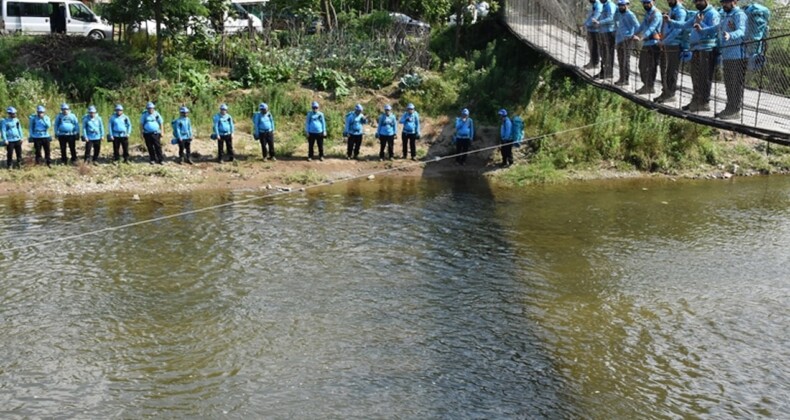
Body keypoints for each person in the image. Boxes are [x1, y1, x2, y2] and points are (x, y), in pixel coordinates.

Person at [669, 0, 720, 112]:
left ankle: (703, 103)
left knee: (704, 77)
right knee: (695, 76)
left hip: (707, 49)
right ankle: (696, 101)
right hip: (696, 49)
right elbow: (685, 24)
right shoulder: (698, 14)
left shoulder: (713, 14)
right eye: (695, 1)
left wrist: (700, 22)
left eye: (698, 1)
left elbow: (714, 31)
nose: (696, 3)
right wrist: (670, 21)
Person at [715, 0, 747, 120]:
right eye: (723, 2)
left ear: (734, 2)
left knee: (735, 84)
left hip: (738, 55)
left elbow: (741, 30)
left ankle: (735, 110)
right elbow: (717, 28)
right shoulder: (726, 15)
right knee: (728, 83)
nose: (723, 4)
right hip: (727, 55)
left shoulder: (739, 14)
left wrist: (730, 35)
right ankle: (729, 108)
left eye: (726, 2)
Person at [655, 0, 688, 103]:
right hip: (667, 44)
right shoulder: (671, 10)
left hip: (674, 45)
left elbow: (678, 29)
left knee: (672, 70)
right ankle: (665, 92)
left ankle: (670, 94)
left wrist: (665, 41)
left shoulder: (680, 12)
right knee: (666, 70)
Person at [632, 0, 663, 94]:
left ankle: (649, 86)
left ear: (653, 2)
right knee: (642, 65)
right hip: (647, 44)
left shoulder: (657, 14)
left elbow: (652, 28)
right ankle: (646, 85)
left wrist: (641, 37)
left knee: (651, 66)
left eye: (647, 2)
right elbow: (642, 26)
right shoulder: (648, 14)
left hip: (654, 43)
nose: (645, 4)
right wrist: (634, 33)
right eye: (644, 3)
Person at [614, 0, 640, 86]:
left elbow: (637, 26)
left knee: (625, 60)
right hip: (619, 39)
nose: (621, 7)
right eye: (620, 5)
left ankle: (625, 79)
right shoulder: (620, 14)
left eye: (622, 5)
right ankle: (621, 78)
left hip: (627, 40)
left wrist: (634, 35)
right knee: (620, 59)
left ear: (627, 5)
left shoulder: (630, 15)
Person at [592, 0, 617, 79]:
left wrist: (599, 22)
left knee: (608, 53)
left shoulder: (610, 5)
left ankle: (609, 73)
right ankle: (603, 71)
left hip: (610, 32)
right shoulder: (604, 5)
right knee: (603, 53)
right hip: (603, 32)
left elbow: (611, 18)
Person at [584, 0, 603, 69]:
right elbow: (590, 15)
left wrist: (588, 24)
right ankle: (592, 61)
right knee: (591, 46)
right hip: (591, 29)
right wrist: (585, 23)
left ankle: (595, 63)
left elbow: (596, 16)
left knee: (594, 46)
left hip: (596, 29)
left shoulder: (598, 5)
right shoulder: (593, 4)